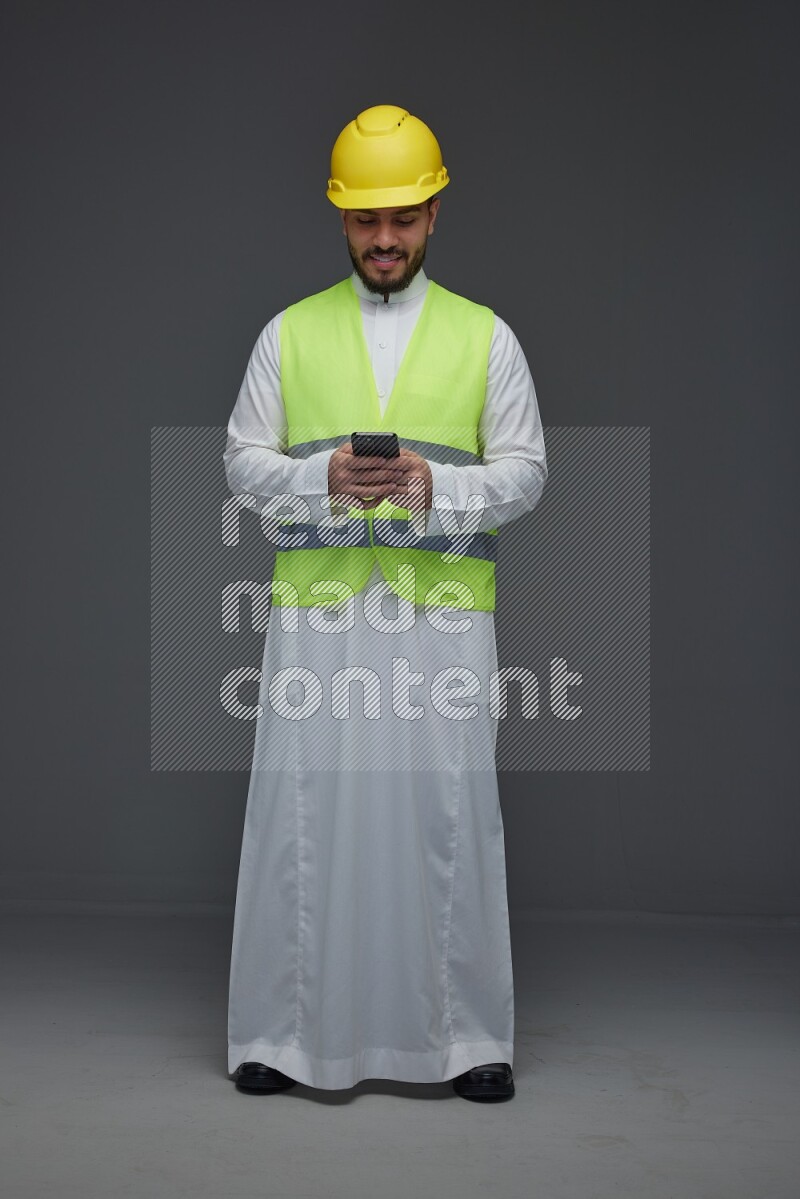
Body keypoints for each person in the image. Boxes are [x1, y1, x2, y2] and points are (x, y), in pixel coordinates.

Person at [224, 104, 548, 1103]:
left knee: (445, 813)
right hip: (317, 615)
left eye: (402, 217)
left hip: (440, 614)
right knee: (301, 813)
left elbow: (527, 472)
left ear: (435, 211)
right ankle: (280, 1033)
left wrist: (428, 488)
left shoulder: (486, 339)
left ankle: (466, 1039)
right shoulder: (288, 334)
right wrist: (322, 479)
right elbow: (240, 463)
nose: (383, 239)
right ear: (339, 217)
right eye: (366, 220)